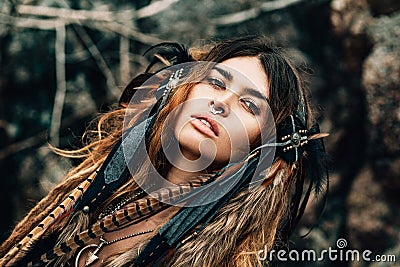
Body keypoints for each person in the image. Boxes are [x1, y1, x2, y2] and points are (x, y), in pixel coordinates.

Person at [0, 35, 329, 267]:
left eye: (248, 104)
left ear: (265, 149)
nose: (220, 103)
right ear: (183, 90)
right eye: (216, 82)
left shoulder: (217, 258)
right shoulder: (97, 191)